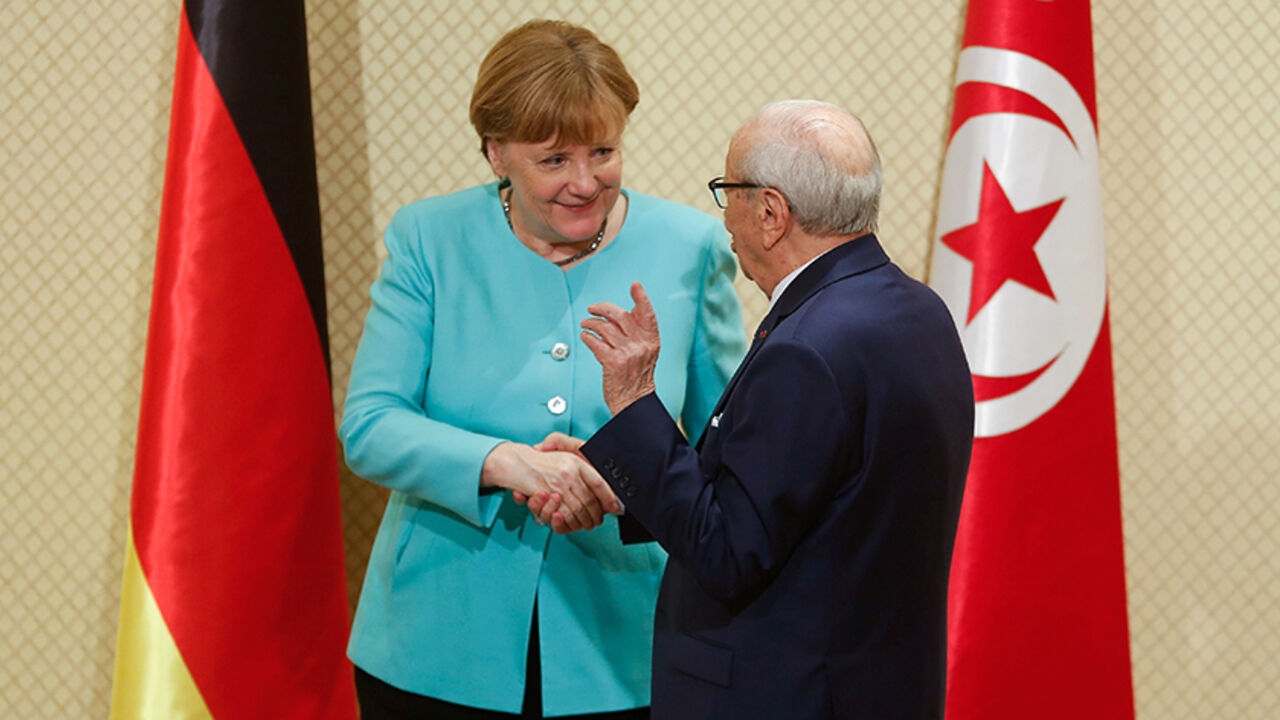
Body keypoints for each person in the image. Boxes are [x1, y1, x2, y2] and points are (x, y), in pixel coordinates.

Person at [338, 20, 746, 719]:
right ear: (496, 152)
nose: (585, 182)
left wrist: (620, 478)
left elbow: (730, 446)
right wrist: (512, 464)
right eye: (553, 160)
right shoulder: (428, 239)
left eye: (604, 151)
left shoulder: (692, 245)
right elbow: (371, 427)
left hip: (622, 646)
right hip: (434, 643)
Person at [533, 100, 975, 719]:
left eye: (728, 192)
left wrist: (633, 403)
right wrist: (622, 477)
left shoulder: (807, 348)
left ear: (770, 213)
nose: (727, 220)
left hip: (784, 695)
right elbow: (801, 502)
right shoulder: (917, 310)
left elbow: (728, 550)